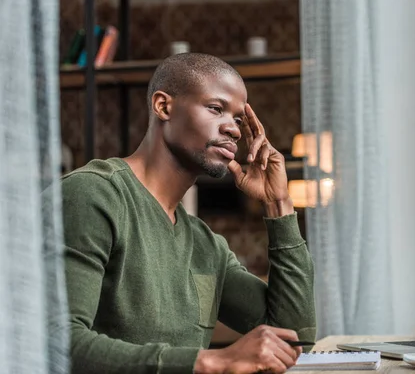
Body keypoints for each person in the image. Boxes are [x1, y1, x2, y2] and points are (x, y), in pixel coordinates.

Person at [61, 53, 316, 374]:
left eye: (238, 120)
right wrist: (212, 361)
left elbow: (296, 338)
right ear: (163, 106)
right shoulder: (92, 196)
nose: (234, 130)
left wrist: (279, 204)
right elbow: (58, 342)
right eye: (215, 108)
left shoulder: (206, 245)